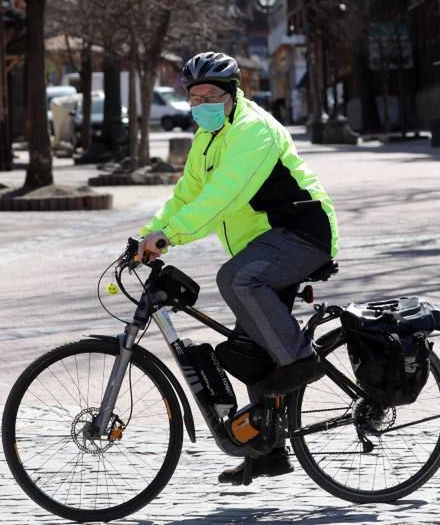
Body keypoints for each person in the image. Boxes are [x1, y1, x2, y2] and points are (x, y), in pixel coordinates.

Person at [138, 51, 338, 484]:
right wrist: (148, 236)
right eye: (194, 97)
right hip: (267, 242)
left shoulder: (253, 131)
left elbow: (222, 196)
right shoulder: (206, 139)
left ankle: (301, 362)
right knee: (249, 349)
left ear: (232, 94)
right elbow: (186, 195)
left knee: (236, 278)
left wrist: (172, 237)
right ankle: (266, 453)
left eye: (211, 94)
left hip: (303, 233)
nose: (201, 104)